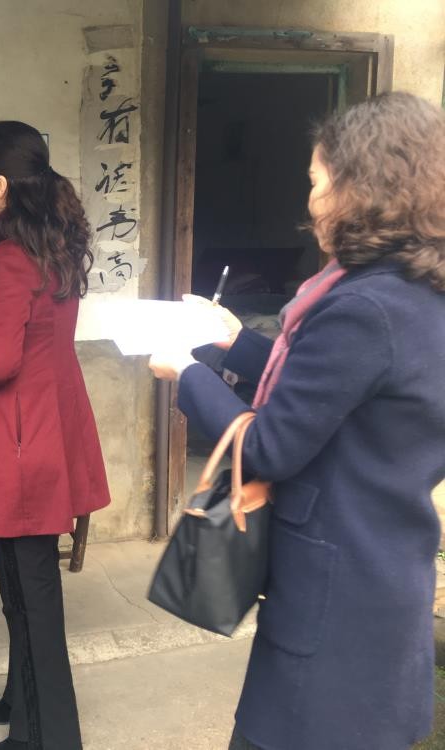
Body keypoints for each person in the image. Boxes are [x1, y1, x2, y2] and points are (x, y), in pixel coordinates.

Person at [150, 92, 445, 750]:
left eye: (316, 181)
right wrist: (233, 342)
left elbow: (271, 445)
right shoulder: (414, 292)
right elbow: (331, 392)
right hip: (381, 572)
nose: (310, 201)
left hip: (338, 602)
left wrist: (186, 373)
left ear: (360, 187)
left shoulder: (364, 307)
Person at [0, 121, 112, 750]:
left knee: (32, 593)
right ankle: (22, 701)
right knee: (18, 584)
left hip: (21, 442)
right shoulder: (50, 244)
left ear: (1, 185)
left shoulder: (11, 256)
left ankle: (48, 737)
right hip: (43, 430)